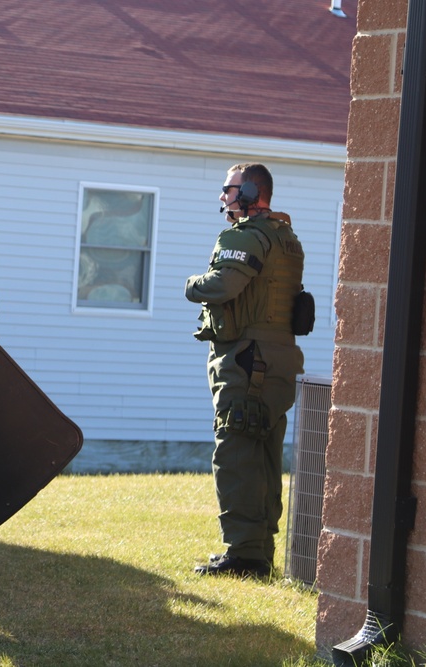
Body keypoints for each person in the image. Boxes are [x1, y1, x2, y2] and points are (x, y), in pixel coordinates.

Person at [185, 162, 305, 578]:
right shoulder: (285, 237)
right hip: (277, 360)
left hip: (247, 360)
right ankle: (258, 550)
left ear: (251, 191)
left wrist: (192, 284)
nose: (223, 197)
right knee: (264, 453)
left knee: (235, 451)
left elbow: (222, 286)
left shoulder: (246, 236)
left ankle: (244, 555)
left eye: (229, 189)